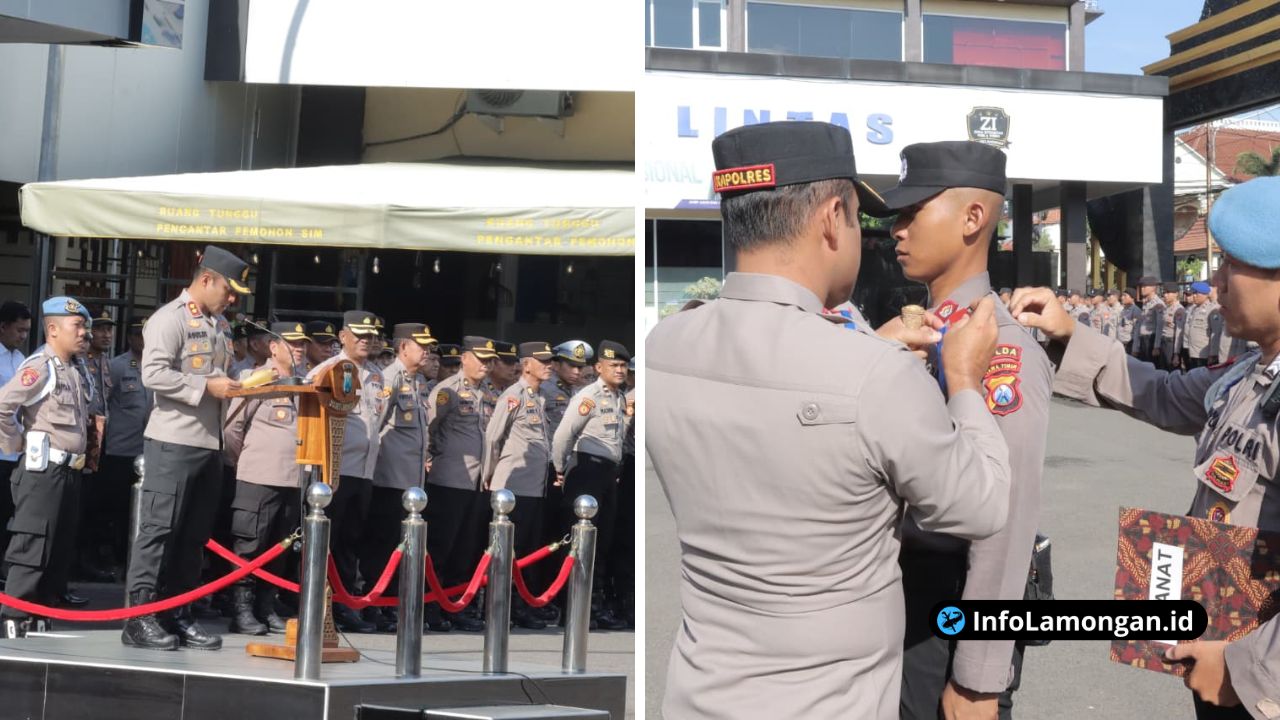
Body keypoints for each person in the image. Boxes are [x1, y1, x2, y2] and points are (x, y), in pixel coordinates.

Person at [646, 121, 1011, 718]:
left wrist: (871, 348)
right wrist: (965, 382)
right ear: (830, 218)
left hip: (701, 690)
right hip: (826, 702)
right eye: (856, 218)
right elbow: (981, 506)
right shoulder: (875, 374)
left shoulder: (666, 346)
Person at [1010, 176, 1280, 720]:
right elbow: (1158, 392)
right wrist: (1067, 335)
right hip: (1222, 644)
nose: (1216, 282)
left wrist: (1249, 667)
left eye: (1232, 265)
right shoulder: (1248, 375)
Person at [883, 140, 1053, 720]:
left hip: (952, 600)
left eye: (912, 213)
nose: (896, 231)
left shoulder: (1000, 345)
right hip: (904, 588)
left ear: (973, 219)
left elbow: (1008, 514)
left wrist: (979, 675)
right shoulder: (926, 330)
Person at [122, 245, 248, 651]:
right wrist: (204, 387)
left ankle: (178, 612)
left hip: (208, 443)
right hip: (173, 441)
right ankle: (139, 616)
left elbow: (220, 376)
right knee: (158, 532)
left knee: (193, 538)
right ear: (206, 279)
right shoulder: (168, 319)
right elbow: (153, 373)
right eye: (228, 291)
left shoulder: (219, 325)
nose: (231, 300)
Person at [0, 297, 90, 638]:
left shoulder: (74, 368)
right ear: (53, 330)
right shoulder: (40, 365)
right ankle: (15, 613)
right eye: (76, 326)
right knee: (32, 544)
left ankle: (41, 609)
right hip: (43, 471)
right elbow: (3, 407)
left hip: (70, 471)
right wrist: (16, 446)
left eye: (84, 326)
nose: (83, 333)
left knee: (58, 547)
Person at [222, 322, 308, 636]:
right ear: (274, 347)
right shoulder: (255, 379)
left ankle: (265, 606)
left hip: (292, 479)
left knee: (280, 547)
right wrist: (244, 463)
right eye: (292, 344)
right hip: (258, 476)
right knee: (250, 545)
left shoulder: (305, 382)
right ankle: (241, 610)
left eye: (302, 345)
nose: (298, 350)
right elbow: (232, 430)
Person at [305, 310, 387, 634]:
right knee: (330, 539)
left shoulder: (377, 376)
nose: (366, 341)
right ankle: (322, 605)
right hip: (334, 469)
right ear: (343, 336)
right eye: (360, 335)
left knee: (351, 541)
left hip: (365, 471)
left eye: (371, 336)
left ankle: (344, 603)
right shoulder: (328, 370)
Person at [551, 340, 633, 631]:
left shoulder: (619, 397)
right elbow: (563, 435)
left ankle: (594, 606)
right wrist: (559, 468)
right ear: (599, 367)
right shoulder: (589, 396)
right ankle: (573, 605)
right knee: (580, 541)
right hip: (585, 471)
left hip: (608, 475)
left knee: (602, 542)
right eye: (614, 365)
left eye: (623, 365)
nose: (620, 370)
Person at [363, 322, 438, 633]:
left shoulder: (417, 380)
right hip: (389, 477)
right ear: (403, 348)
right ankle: (373, 606)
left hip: (411, 480)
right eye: (421, 346)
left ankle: (393, 604)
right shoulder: (389, 378)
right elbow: (375, 426)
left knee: (402, 546)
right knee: (382, 547)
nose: (427, 352)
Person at [481, 341, 556, 630]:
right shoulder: (514, 396)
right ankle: (502, 607)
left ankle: (522, 606)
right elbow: (492, 437)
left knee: (526, 551)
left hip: (534, 487)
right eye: (543, 361)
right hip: (513, 487)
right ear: (526, 365)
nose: (548, 365)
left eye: (550, 361)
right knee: (509, 552)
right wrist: (488, 476)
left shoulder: (539, 397)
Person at [426, 336, 498, 632]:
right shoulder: (447, 391)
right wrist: (432, 457)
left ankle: (455, 606)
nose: (486, 365)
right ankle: (430, 607)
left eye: (490, 360)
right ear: (465, 358)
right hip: (449, 479)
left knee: (466, 550)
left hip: (477, 482)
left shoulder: (490, 393)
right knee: (441, 547)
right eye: (480, 358)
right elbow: (431, 426)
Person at [93, 317, 152, 580]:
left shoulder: (157, 366)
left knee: (142, 512)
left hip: (148, 449)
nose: (144, 340)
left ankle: (133, 559)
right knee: (114, 509)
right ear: (130, 338)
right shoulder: (117, 366)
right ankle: (109, 557)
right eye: (139, 335)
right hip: (120, 449)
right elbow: (103, 404)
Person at [0, 300, 32, 577]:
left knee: (8, 513)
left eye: (26, 331)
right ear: (3, 327)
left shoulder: (21, 360)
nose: (23, 336)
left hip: (14, 451)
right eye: (19, 330)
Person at [1181, 282, 1218, 370]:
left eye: (1196, 293)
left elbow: (1215, 333)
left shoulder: (1212, 309)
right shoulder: (1193, 309)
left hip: (1203, 354)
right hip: (1192, 352)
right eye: (1193, 293)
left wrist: (1213, 354)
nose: (1193, 296)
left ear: (1205, 294)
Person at [1134, 276, 1165, 362]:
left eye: (1145, 286)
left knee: (1152, 366)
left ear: (1153, 288)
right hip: (1143, 338)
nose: (1142, 289)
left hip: (1151, 339)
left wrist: (1156, 346)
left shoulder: (1158, 304)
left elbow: (1160, 326)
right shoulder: (1146, 303)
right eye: (1141, 286)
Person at [1160, 284, 1187, 371]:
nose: (1165, 295)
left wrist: (1176, 353)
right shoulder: (1166, 308)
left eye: (1168, 293)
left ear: (1176, 294)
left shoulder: (1179, 310)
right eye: (1164, 293)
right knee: (1163, 369)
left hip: (1171, 344)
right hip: (1163, 341)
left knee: (1172, 370)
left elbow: (1179, 333)